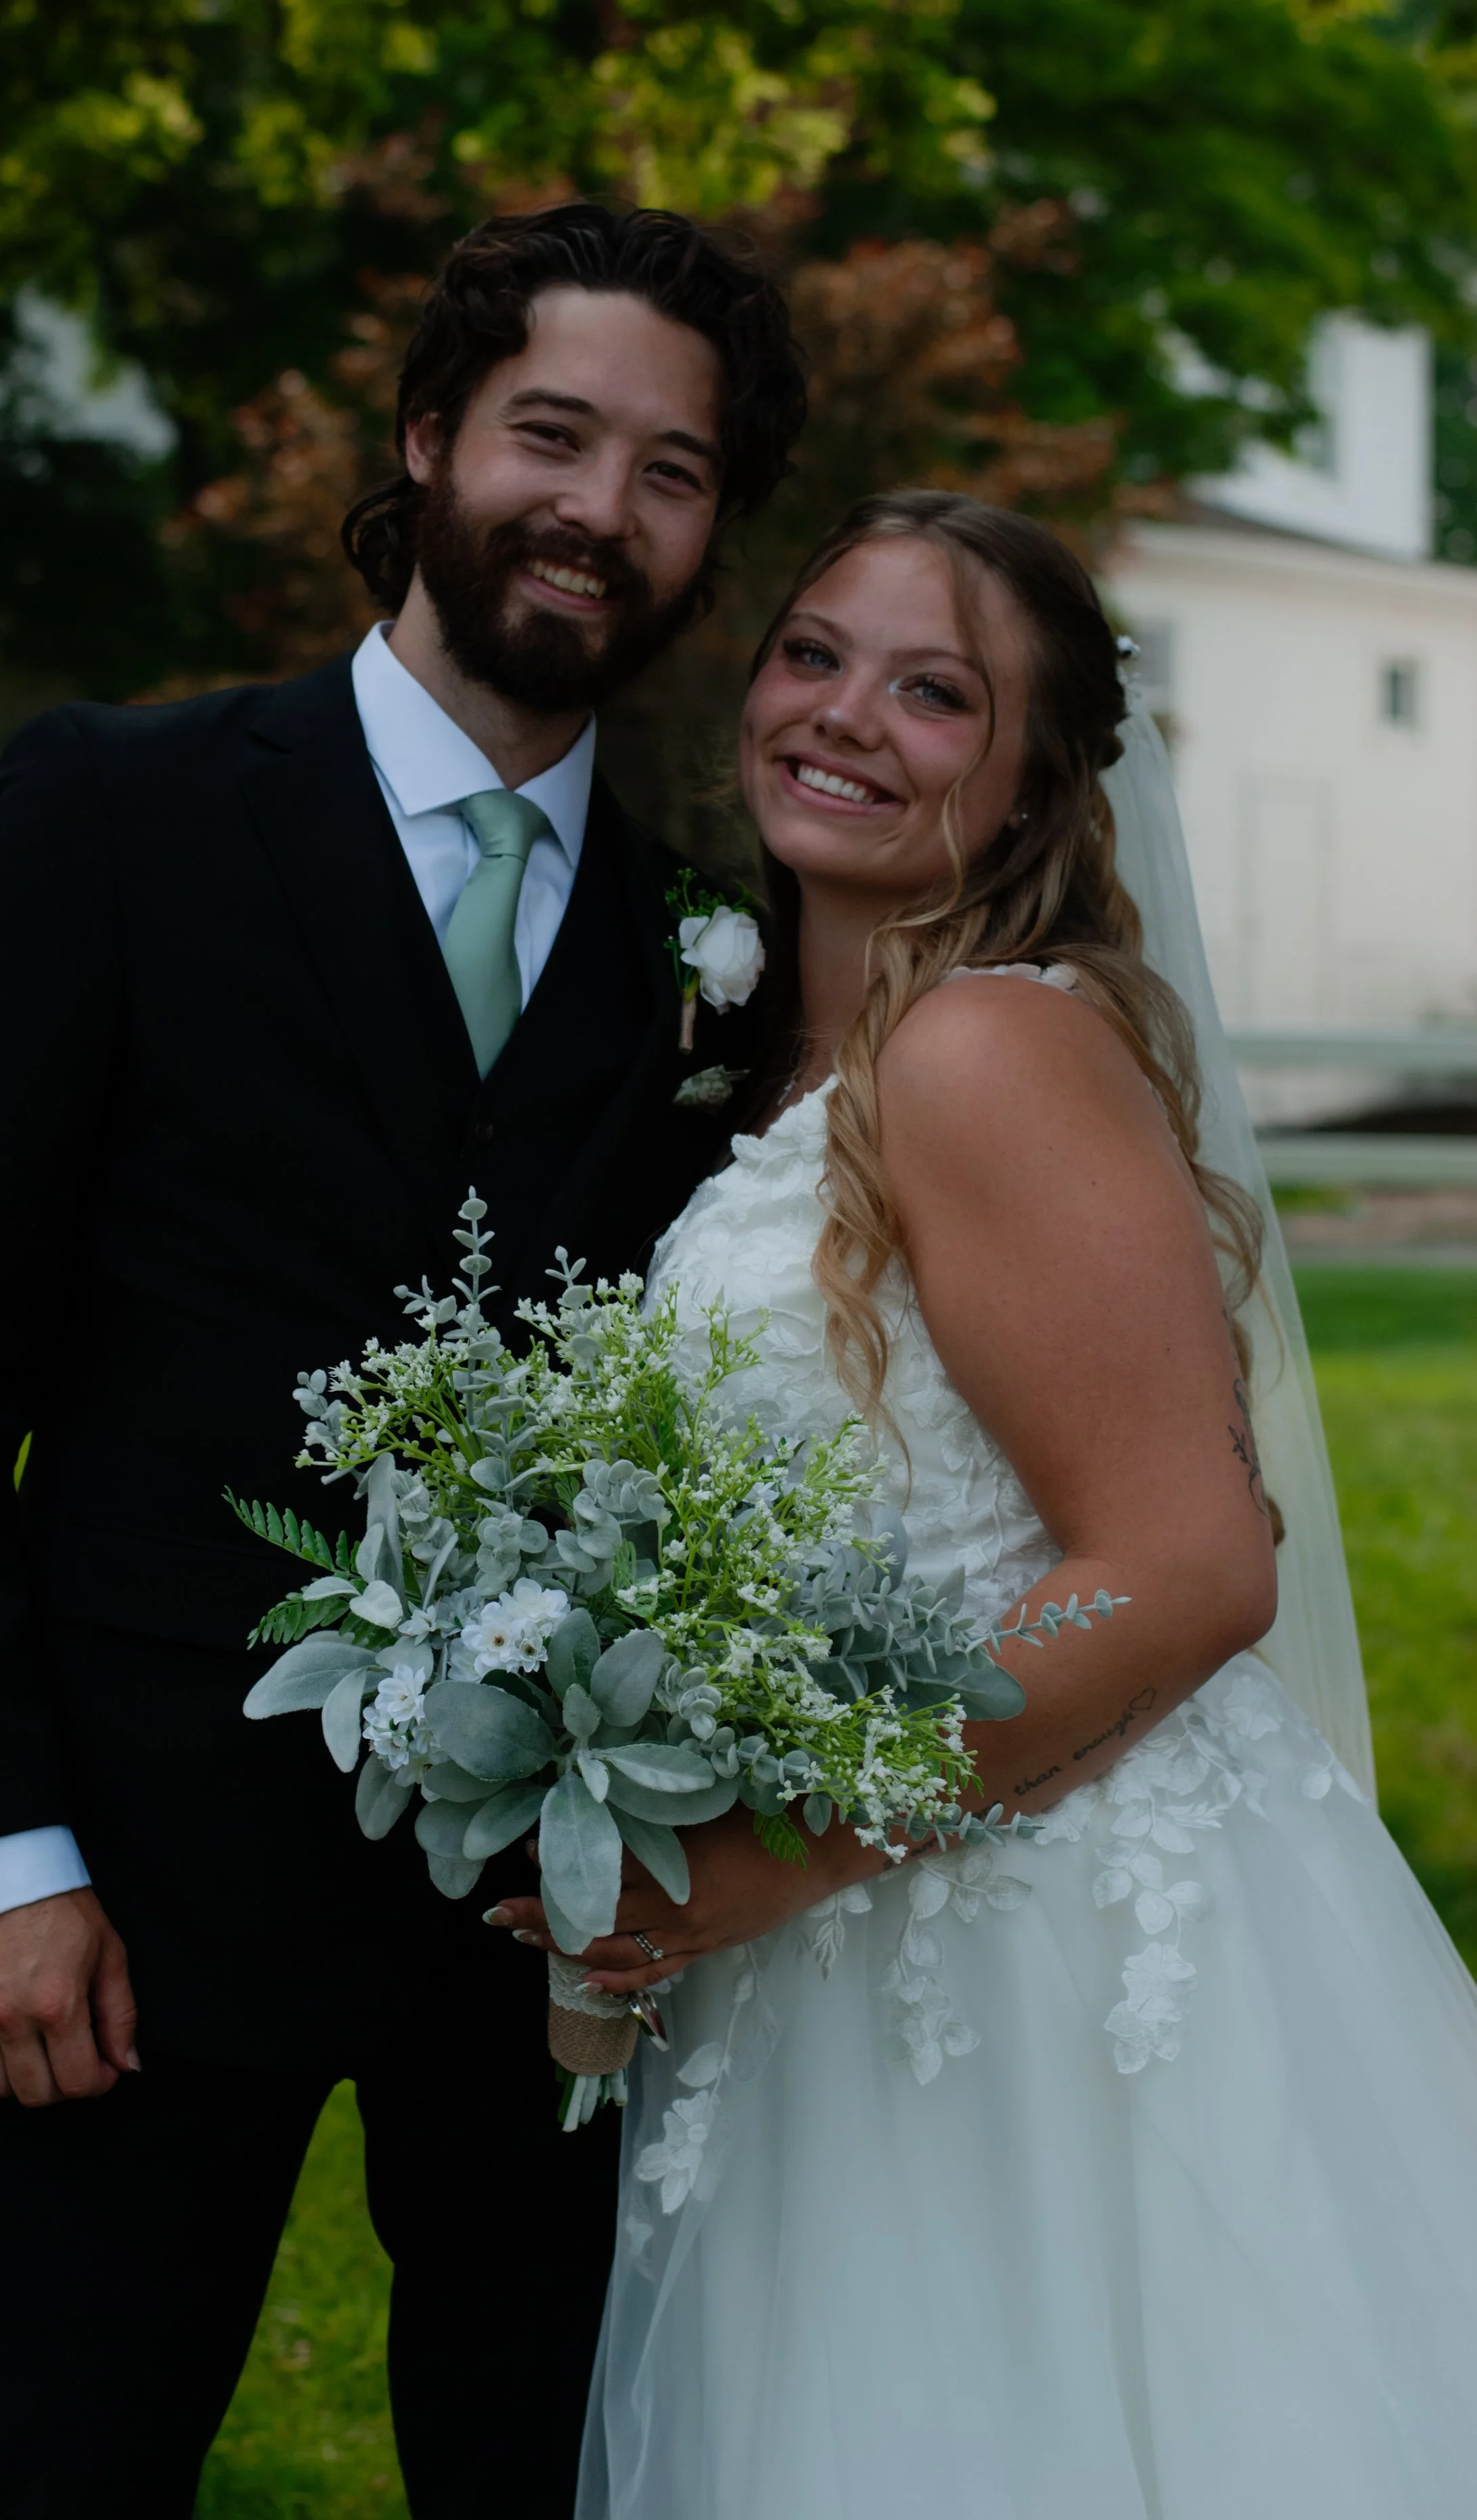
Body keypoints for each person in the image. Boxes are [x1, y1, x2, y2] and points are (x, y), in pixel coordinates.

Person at [0, 202, 805, 2517]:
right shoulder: (116, 809)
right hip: (123, 1904)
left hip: (561, 1932)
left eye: (670, 470)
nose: (598, 507)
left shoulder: (712, 937)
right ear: (428, 434)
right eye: (552, 432)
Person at [487, 491, 1477, 2517]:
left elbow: (1191, 1563)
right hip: (852, 1937)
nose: (843, 714)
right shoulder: (795, 1063)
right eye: (813, 653)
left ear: (1034, 784)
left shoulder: (980, 1050)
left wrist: (785, 1848)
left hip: (1037, 1949)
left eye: (935, 692)